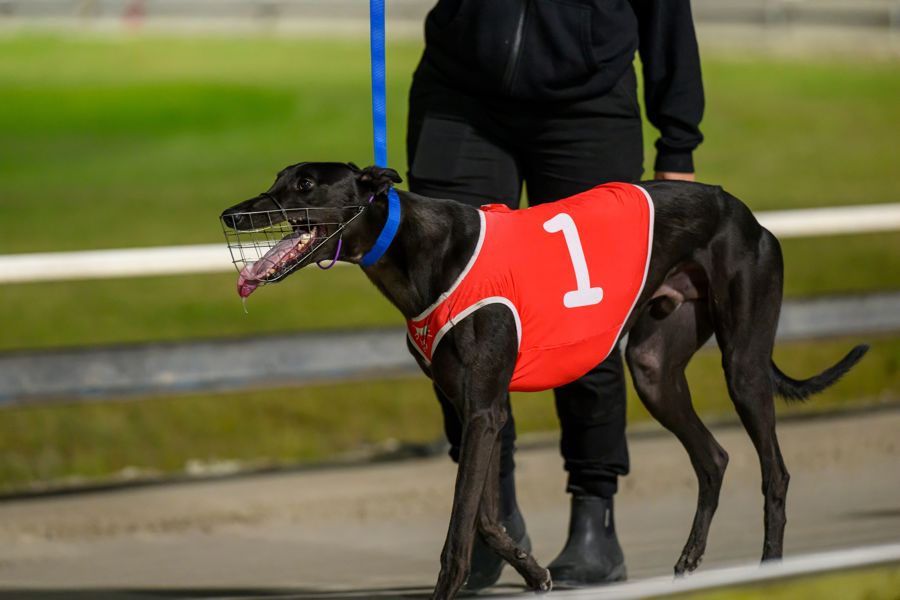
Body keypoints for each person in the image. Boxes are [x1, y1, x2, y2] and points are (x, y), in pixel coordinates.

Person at [406, 0, 704, 589]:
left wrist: (678, 141)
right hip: (458, 95)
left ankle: (595, 517)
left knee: (583, 311)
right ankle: (490, 518)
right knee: (453, 318)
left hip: (588, 104)